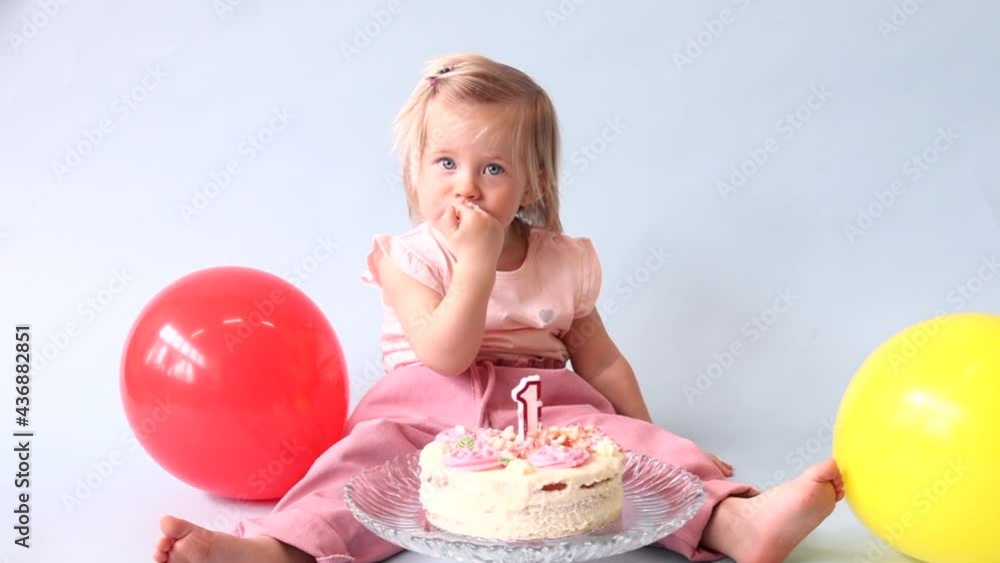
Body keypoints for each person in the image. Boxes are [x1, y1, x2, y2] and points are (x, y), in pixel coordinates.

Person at [153, 53, 845, 563]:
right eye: (445, 163)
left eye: (492, 169)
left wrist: (655, 444)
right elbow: (444, 352)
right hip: (422, 408)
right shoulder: (406, 257)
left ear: (534, 184)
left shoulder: (563, 259)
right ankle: (275, 550)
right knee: (355, 468)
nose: (467, 188)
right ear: (413, 173)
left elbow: (600, 358)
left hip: (548, 410)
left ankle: (738, 523)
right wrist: (477, 262)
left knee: (626, 456)